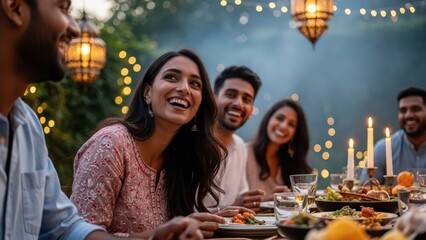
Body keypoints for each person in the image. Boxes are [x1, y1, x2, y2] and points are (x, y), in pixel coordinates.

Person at [0, 0, 203, 239]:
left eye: (195, 84)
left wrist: (154, 237)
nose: (75, 29)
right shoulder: (112, 143)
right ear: (14, 7)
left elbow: (66, 228)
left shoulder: (28, 127)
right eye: (63, 8)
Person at [71, 49, 252, 238]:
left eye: (194, 83)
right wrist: (155, 236)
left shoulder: (180, 158)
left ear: (199, 106)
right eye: (172, 77)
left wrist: (208, 223)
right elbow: (79, 235)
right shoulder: (111, 144)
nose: (184, 88)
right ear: (147, 93)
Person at [203, 65, 266, 213]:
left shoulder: (240, 145)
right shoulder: (193, 140)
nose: (238, 104)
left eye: (247, 99)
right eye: (231, 95)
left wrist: (267, 201)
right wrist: (229, 211)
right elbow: (181, 213)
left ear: (251, 108)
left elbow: (241, 202)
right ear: (214, 97)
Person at [246, 99, 312, 200]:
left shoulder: (291, 161)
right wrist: (268, 199)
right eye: (280, 118)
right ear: (268, 119)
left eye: (291, 124)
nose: (284, 126)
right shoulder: (244, 153)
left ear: (295, 133)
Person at [360, 86, 426, 184]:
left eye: (415, 109)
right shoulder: (384, 148)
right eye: (403, 110)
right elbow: (366, 189)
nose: (408, 115)